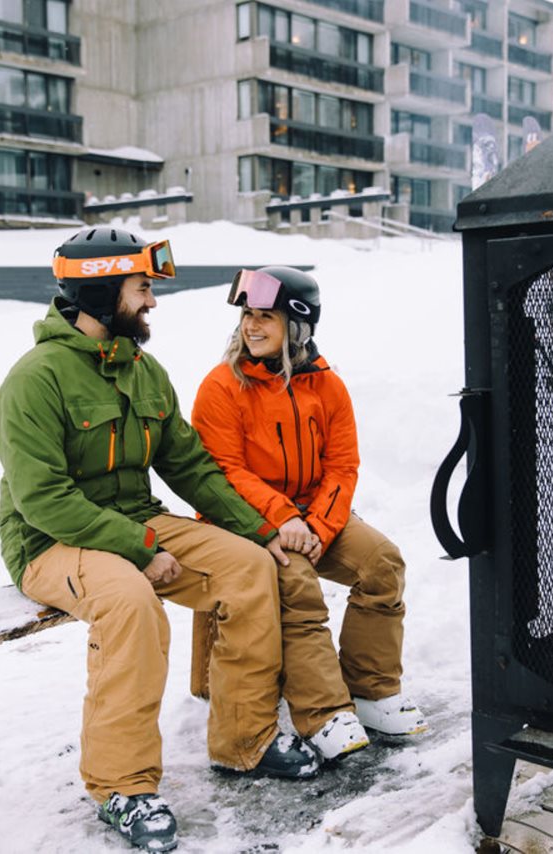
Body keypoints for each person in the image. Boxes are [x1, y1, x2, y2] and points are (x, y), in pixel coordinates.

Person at [0, 231, 320, 854]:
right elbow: (44, 500)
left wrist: (262, 530)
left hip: (135, 520)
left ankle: (244, 741)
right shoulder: (34, 380)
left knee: (250, 569)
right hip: (50, 542)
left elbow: (191, 466)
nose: (152, 302)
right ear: (101, 291)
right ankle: (123, 786)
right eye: (142, 289)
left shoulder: (143, 371)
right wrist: (140, 548)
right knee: (131, 604)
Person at [191, 266, 427, 764]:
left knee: (383, 563)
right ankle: (323, 712)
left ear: (296, 328)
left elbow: (343, 466)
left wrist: (318, 525)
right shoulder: (221, 386)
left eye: (265, 318)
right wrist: (283, 519)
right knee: (298, 583)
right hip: (245, 520)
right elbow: (225, 470)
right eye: (247, 317)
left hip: (310, 516)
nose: (251, 327)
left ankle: (371, 690)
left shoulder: (326, 386)